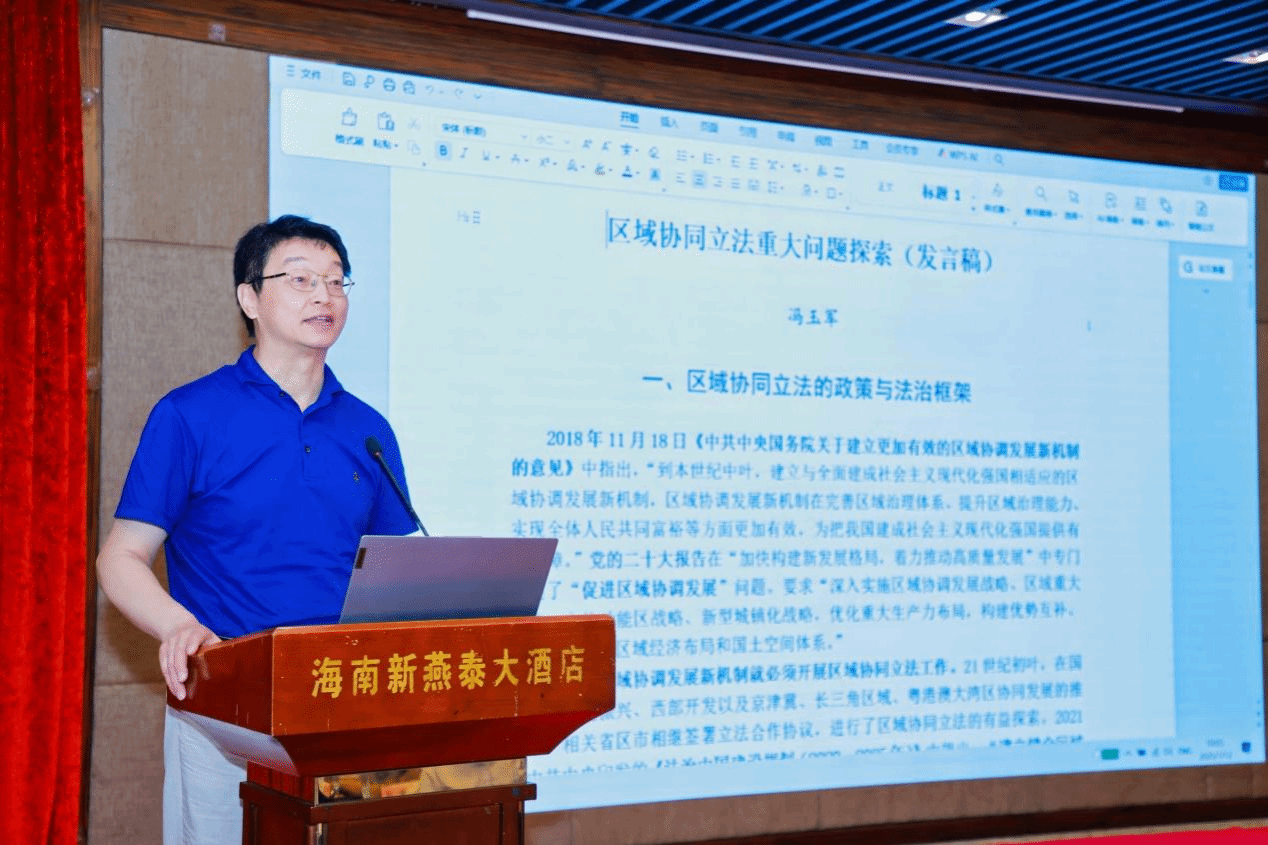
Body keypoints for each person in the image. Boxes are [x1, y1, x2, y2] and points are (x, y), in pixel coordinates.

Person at [96, 215, 418, 845]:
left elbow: (391, 572)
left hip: (343, 702)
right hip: (226, 704)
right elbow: (120, 558)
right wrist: (178, 627)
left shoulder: (368, 429)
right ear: (249, 298)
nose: (324, 296)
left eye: (336, 281)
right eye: (301, 280)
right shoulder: (189, 414)